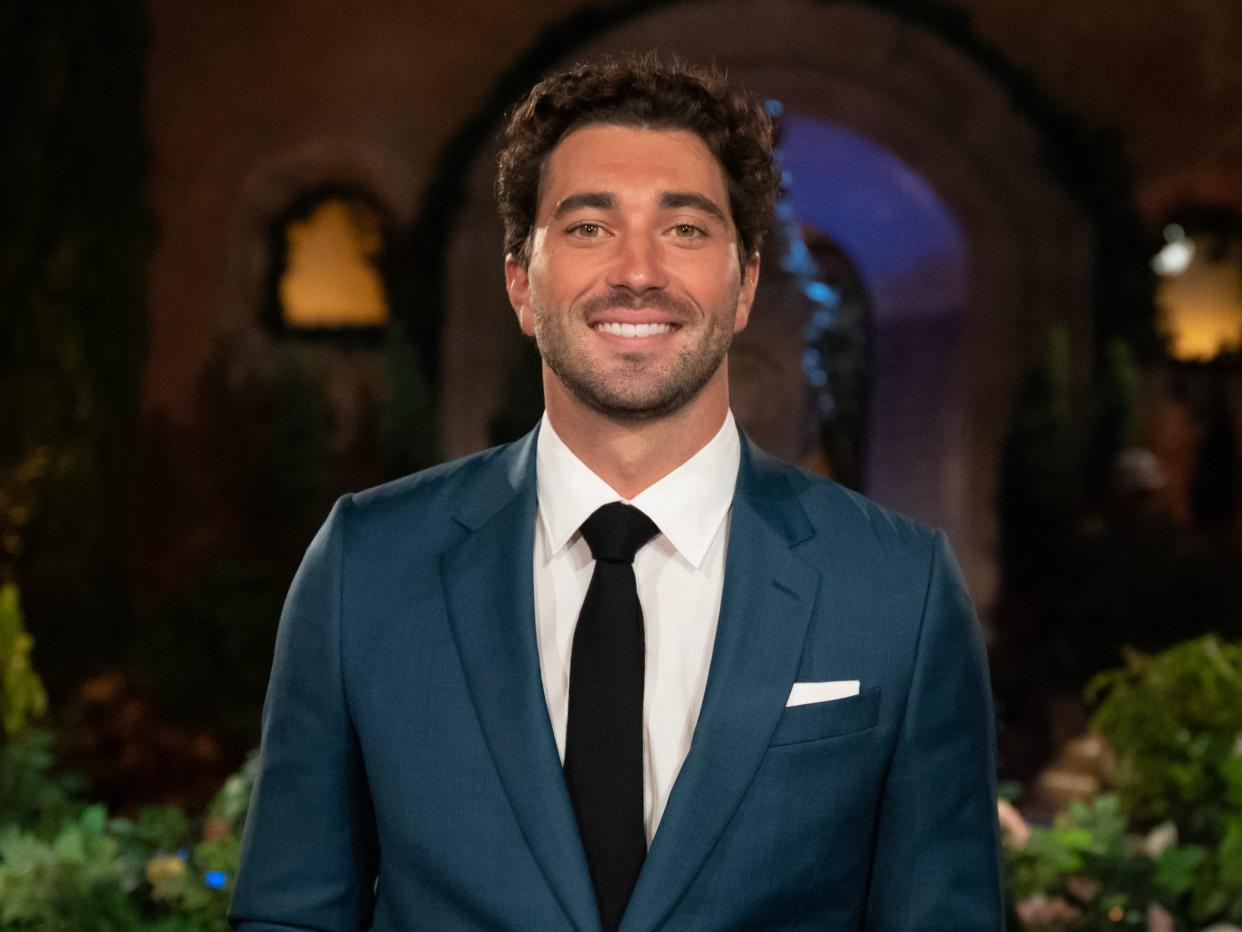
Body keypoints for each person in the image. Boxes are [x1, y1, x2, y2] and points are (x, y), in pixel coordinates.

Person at [230, 55, 1003, 931]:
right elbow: (290, 915)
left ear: (745, 283)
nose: (638, 271)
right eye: (590, 227)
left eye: (684, 230)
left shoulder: (896, 587)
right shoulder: (367, 564)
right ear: (522, 281)